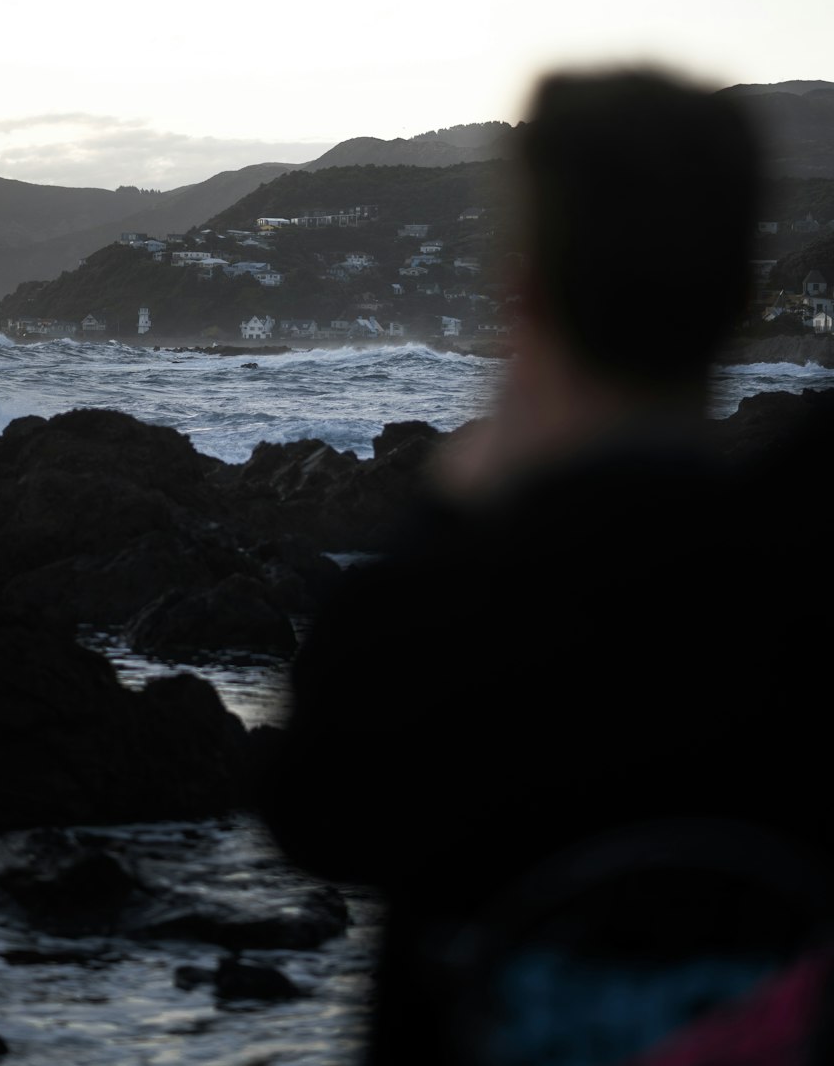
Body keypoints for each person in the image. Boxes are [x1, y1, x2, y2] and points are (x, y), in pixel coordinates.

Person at [261, 67, 834, 1065]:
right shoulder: (808, 593)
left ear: (521, 291)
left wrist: (451, 499)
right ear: (745, 295)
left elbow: (313, 816)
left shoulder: (418, 634)